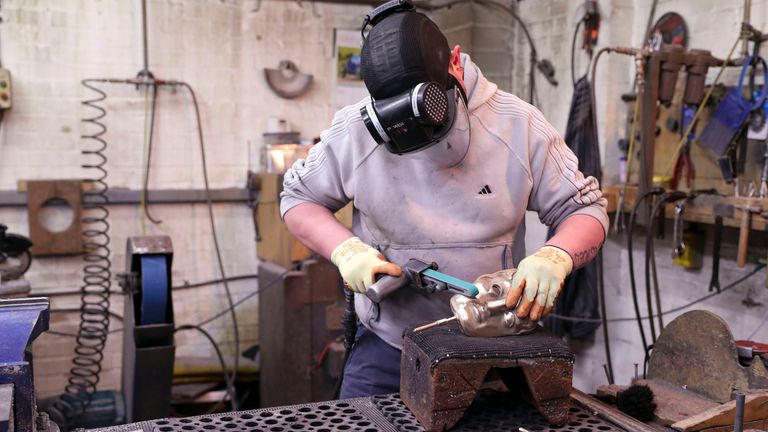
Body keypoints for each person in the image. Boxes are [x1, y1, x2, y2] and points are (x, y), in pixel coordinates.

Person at [280, 3, 607, 399]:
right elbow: (299, 198)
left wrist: (557, 255)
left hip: (494, 347)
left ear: (454, 61)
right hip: (389, 346)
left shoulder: (518, 125)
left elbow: (584, 208)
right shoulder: (354, 131)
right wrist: (344, 249)